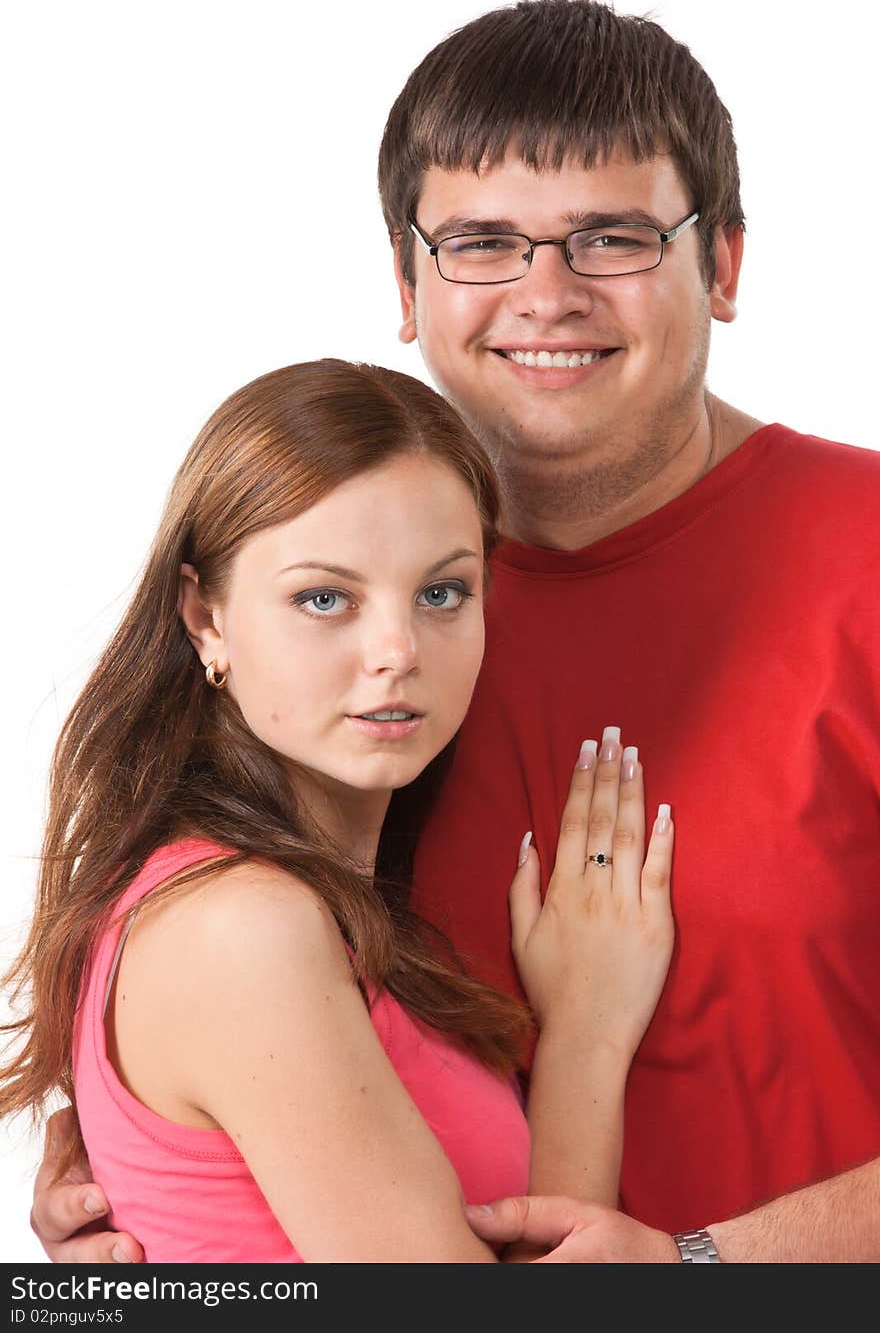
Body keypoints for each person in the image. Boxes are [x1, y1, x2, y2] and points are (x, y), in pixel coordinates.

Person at [33, 0, 880, 1262]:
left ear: (725, 266)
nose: (546, 292)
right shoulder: (336, 643)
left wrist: (708, 1269)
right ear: (405, 279)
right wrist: (150, 1179)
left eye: (613, 236)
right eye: (482, 239)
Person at [2, 359, 674, 1262]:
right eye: (325, 598)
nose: (396, 651)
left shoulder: (319, 904)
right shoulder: (240, 927)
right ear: (205, 618)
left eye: (442, 593)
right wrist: (587, 1035)